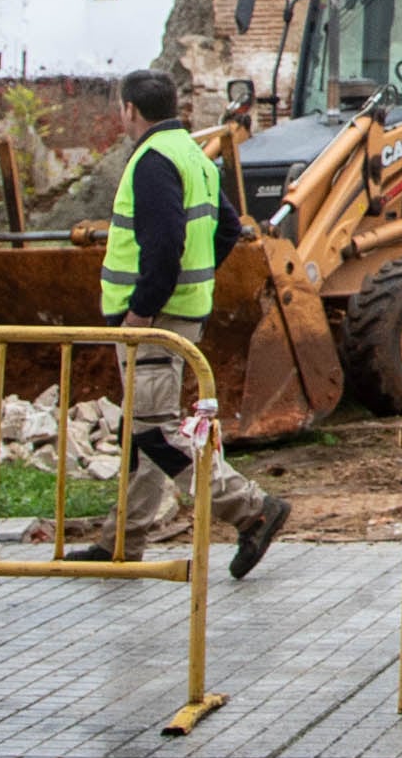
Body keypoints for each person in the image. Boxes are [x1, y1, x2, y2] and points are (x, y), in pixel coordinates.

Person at [66, 68, 291, 577]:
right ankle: (121, 541)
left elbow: (164, 245)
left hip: (154, 318)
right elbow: (230, 228)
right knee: (144, 430)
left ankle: (251, 508)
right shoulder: (196, 156)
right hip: (181, 312)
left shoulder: (151, 161)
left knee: (155, 435)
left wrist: (143, 307)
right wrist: (196, 277)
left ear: (129, 110)